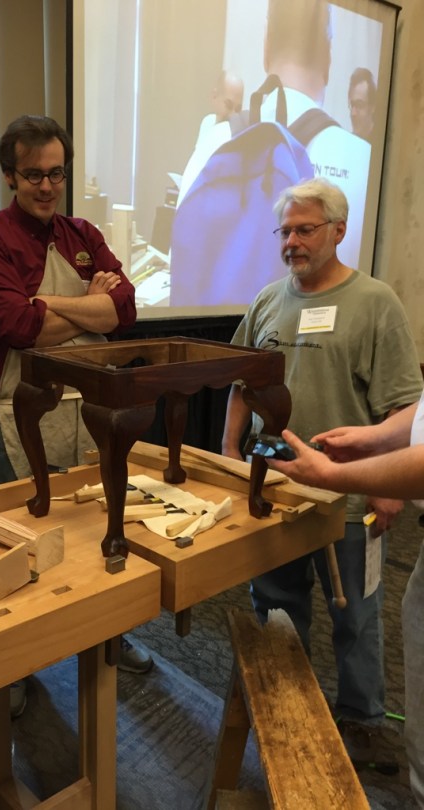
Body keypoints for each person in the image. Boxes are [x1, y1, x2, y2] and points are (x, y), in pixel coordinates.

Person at [221, 177, 423, 774]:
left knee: (357, 613)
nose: (292, 242)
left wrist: (385, 488)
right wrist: (229, 447)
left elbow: (406, 410)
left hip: (354, 493)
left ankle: (361, 720)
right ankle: (284, 701)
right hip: (277, 488)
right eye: (284, 231)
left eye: (304, 229)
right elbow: (242, 380)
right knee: (277, 606)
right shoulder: (265, 300)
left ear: (338, 230)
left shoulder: (377, 302)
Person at [0, 115, 153, 698]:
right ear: (8, 176)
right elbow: (16, 327)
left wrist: (48, 304)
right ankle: (12, 669)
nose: (46, 186)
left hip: (90, 407)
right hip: (23, 409)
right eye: (32, 175)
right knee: (16, 539)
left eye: (56, 174)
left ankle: (110, 635)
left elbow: (126, 312)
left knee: (98, 521)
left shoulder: (84, 233)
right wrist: (82, 304)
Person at [266, 395, 424, 807]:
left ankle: (363, 719)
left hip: (351, 508)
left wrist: (336, 476)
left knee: (358, 614)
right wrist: (378, 437)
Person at [172, 0, 370, 302]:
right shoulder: (363, 159)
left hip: (219, 342)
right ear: (328, 58)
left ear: (266, 48)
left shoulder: (213, 141)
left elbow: (181, 264)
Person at [349, 67, 376, 143]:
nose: (353, 113)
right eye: (352, 105)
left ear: (372, 108)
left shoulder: (380, 142)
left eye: (359, 105)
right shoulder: (349, 143)